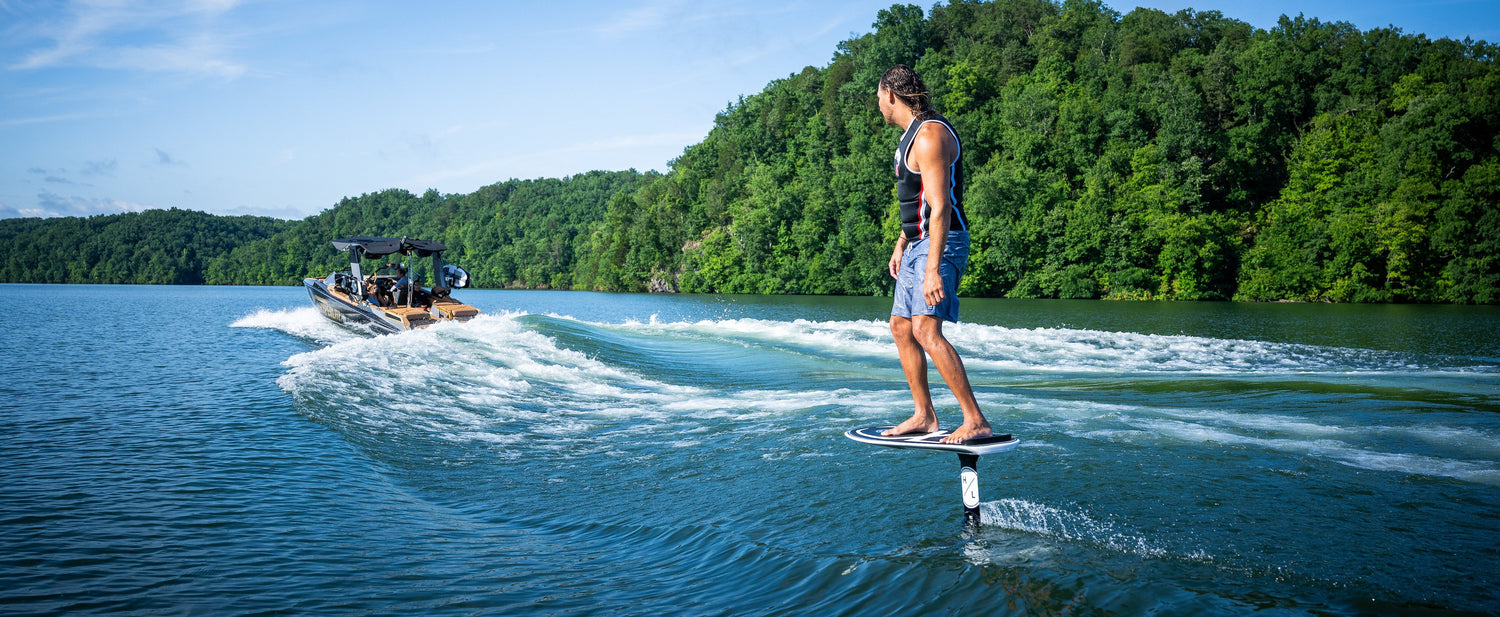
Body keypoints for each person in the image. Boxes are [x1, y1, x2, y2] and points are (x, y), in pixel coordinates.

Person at [877, 64, 993, 444]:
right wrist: (901, 243)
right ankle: (924, 416)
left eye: (879, 97)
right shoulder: (911, 137)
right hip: (917, 245)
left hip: (942, 244)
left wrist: (932, 270)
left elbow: (940, 208)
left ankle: (974, 419)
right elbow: (917, 202)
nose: (878, 105)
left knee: (926, 328)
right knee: (900, 327)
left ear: (892, 95)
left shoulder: (930, 136)